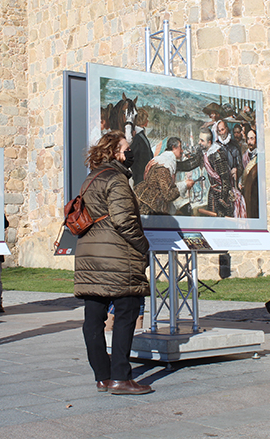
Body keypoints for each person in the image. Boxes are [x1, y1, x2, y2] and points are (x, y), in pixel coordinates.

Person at [74, 130, 152, 395]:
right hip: (116, 256)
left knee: (93, 317)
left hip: (90, 255)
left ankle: (102, 376)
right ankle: (120, 376)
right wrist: (144, 246)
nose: (130, 152)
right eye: (126, 148)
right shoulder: (117, 179)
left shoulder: (90, 179)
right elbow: (124, 221)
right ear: (117, 152)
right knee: (127, 310)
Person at [135, 137, 195, 215]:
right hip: (152, 208)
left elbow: (186, 166)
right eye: (180, 147)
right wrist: (185, 185)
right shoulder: (164, 166)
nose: (182, 151)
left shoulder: (161, 160)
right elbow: (168, 195)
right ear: (173, 147)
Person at [128, 107, 153, 186]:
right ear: (142, 120)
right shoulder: (137, 137)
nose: (148, 121)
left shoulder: (140, 134)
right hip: (139, 177)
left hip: (144, 176)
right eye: (146, 119)